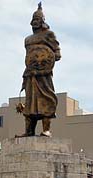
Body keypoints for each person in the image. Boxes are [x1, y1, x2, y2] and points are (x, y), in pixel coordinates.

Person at [19, 2, 61, 137]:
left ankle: (46, 130)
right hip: (31, 73)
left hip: (44, 73)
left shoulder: (49, 34)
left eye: (37, 20)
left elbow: (56, 51)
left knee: (46, 98)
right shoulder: (27, 39)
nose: (35, 22)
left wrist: (50, 57)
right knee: (30, 102)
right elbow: (28, 56)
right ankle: (29, 130)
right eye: (33, 20)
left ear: (42, 21)